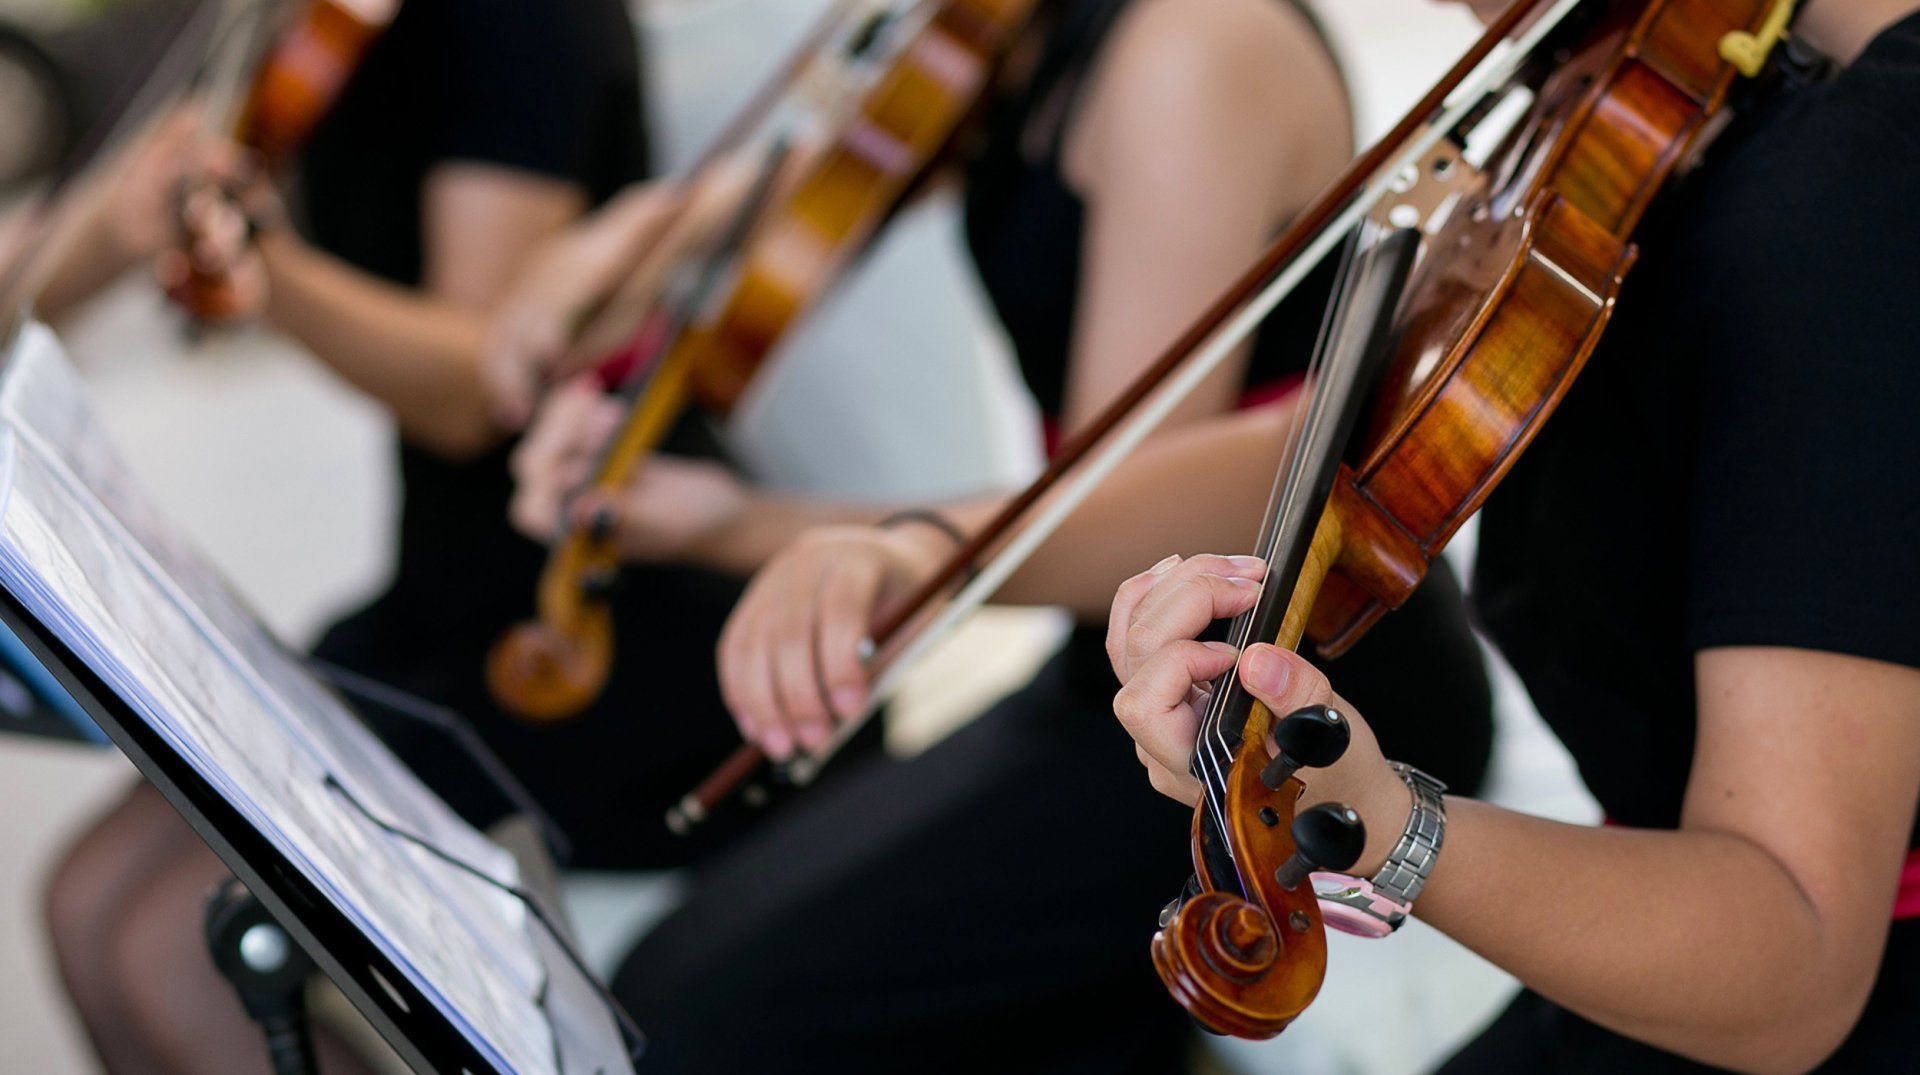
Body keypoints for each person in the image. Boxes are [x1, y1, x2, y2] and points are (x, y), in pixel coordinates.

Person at [502, 0, 1494, 1067]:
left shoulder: (1191, 56)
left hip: (1287, 702)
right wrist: (640, 239)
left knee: (696, 1021)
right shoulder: (1002, 45)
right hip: (1133, 678)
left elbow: (1132, 531)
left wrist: (752, 527)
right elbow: (847, 167)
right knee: (676, 968)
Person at [1105, 0, 1920, 1070]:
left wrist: (1385, 821)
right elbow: (1340, 423)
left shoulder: (1850, 205)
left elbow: (1798, 949)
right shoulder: (1660, 105)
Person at [35, 1, 721, 1070]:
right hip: (440, 597)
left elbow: (479, 389)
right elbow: (77, 244)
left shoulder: (526, 26)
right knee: (82, 900)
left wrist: (273, 274)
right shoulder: (314, 21)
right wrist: (99, 236)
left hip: (589, 616)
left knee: (166, 946)